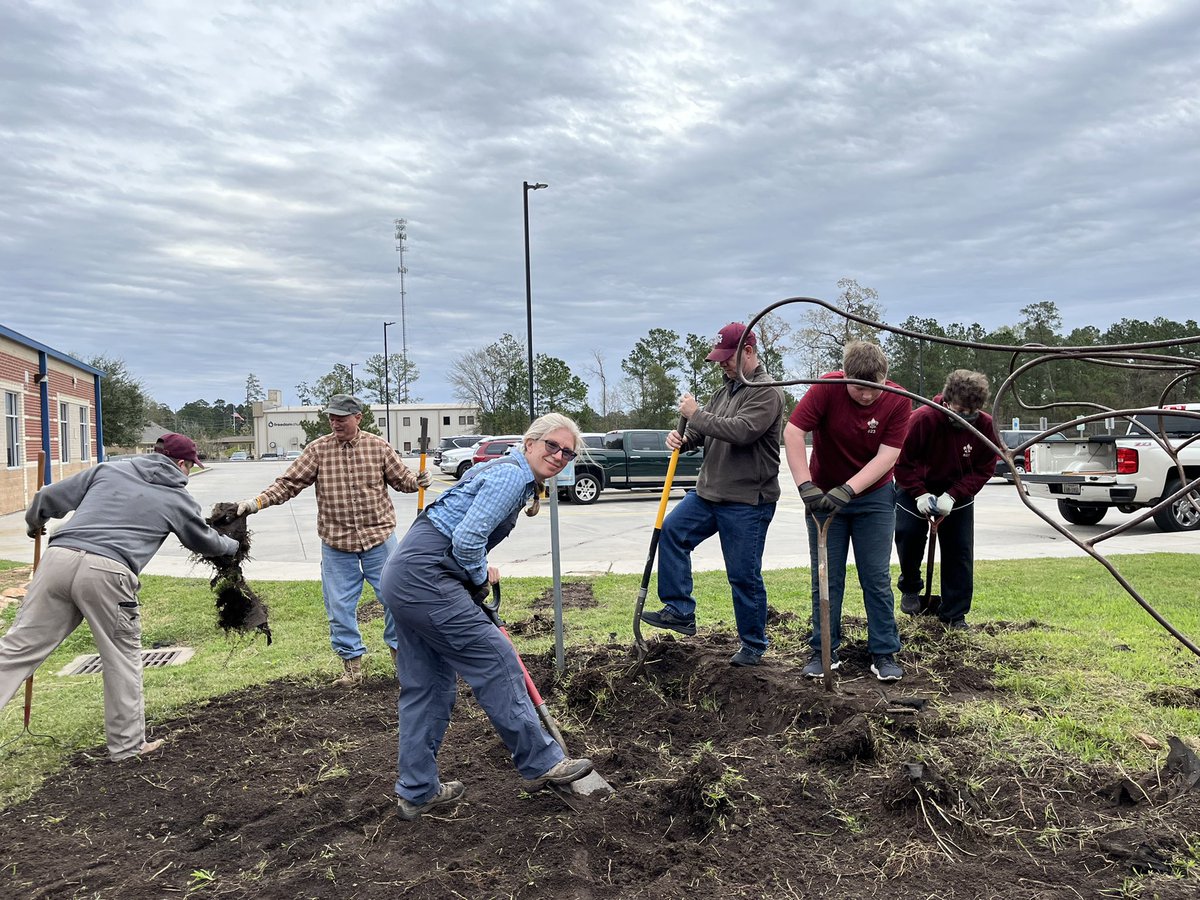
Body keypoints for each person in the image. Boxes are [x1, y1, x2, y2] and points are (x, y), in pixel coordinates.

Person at [379, 413, 595, 820]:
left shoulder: (499, 468)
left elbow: (455, 527)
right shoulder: (513, 477)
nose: (559, 456)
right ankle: (543, 762)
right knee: (496, 659)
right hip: (427, 577)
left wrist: (474, 569)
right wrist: (476, 577)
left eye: (567, 453)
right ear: (530, 442)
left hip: (406, 573)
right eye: (553, 445)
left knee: (428, 686)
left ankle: (418, 789)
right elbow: (467, 539)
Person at [0, 434, 238, 760]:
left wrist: (34, 523)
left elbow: (48, 497)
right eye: (189, 467)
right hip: (108, 572)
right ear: (181, 464)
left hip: (58, 559)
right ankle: (127, 747)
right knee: (120, 658)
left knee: (16, 650)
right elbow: (206, 542)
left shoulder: (107, 471)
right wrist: (234, 546)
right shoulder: (176, 498)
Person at [231, 394, 430, 686]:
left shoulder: (378, 447)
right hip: (337, 543)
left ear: (357, 418)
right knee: (338, 607)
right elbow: (288, 484)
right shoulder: (318, 450)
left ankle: (403, 662)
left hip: (380, 539)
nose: (335, 423)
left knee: (396, 600)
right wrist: (255, 503)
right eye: (331, 418)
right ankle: (352, 671)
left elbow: (403, 481)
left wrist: (418, 481)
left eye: (341, 418)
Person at [640, 322, 785, 667]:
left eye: (727, 359)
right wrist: (685, 438)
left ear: (748, 352)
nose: (722, 365)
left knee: (743, 575)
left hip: (748, 501)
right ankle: (679, 609)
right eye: (718, 359)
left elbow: (742, 431)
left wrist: (696, 415)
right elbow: (705, 431)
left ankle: (753, 644)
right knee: (672, 532)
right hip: (709, 494)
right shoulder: (725, 391)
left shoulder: (767, 391)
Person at [783, 341, 911, 682]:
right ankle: (823, 650)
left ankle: (884, 652)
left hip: (875, 498)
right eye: (858, 389)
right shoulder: (826, 389)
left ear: (886, 378)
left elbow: (888, 456)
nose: (867, 397)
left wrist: (849, 489)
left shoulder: (899, 400)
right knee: (826, 576)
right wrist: (805, 486)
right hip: (823, 497)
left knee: (876, 577)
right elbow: (793, 432)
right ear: (844, 378)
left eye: (875, 389)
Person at [894, 370, 999, 631]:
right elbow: (901, 462)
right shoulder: (921, 419)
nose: (965, 417)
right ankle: (910, 587)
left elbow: (985, 467)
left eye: (971, 412)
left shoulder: (985, 426)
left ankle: (954, 614)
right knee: (908, 535)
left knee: (959, 551)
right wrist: (919, 493)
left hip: (958, 494)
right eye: (960, 410)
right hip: (915, 489)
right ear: (947, 401)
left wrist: (953, 494)